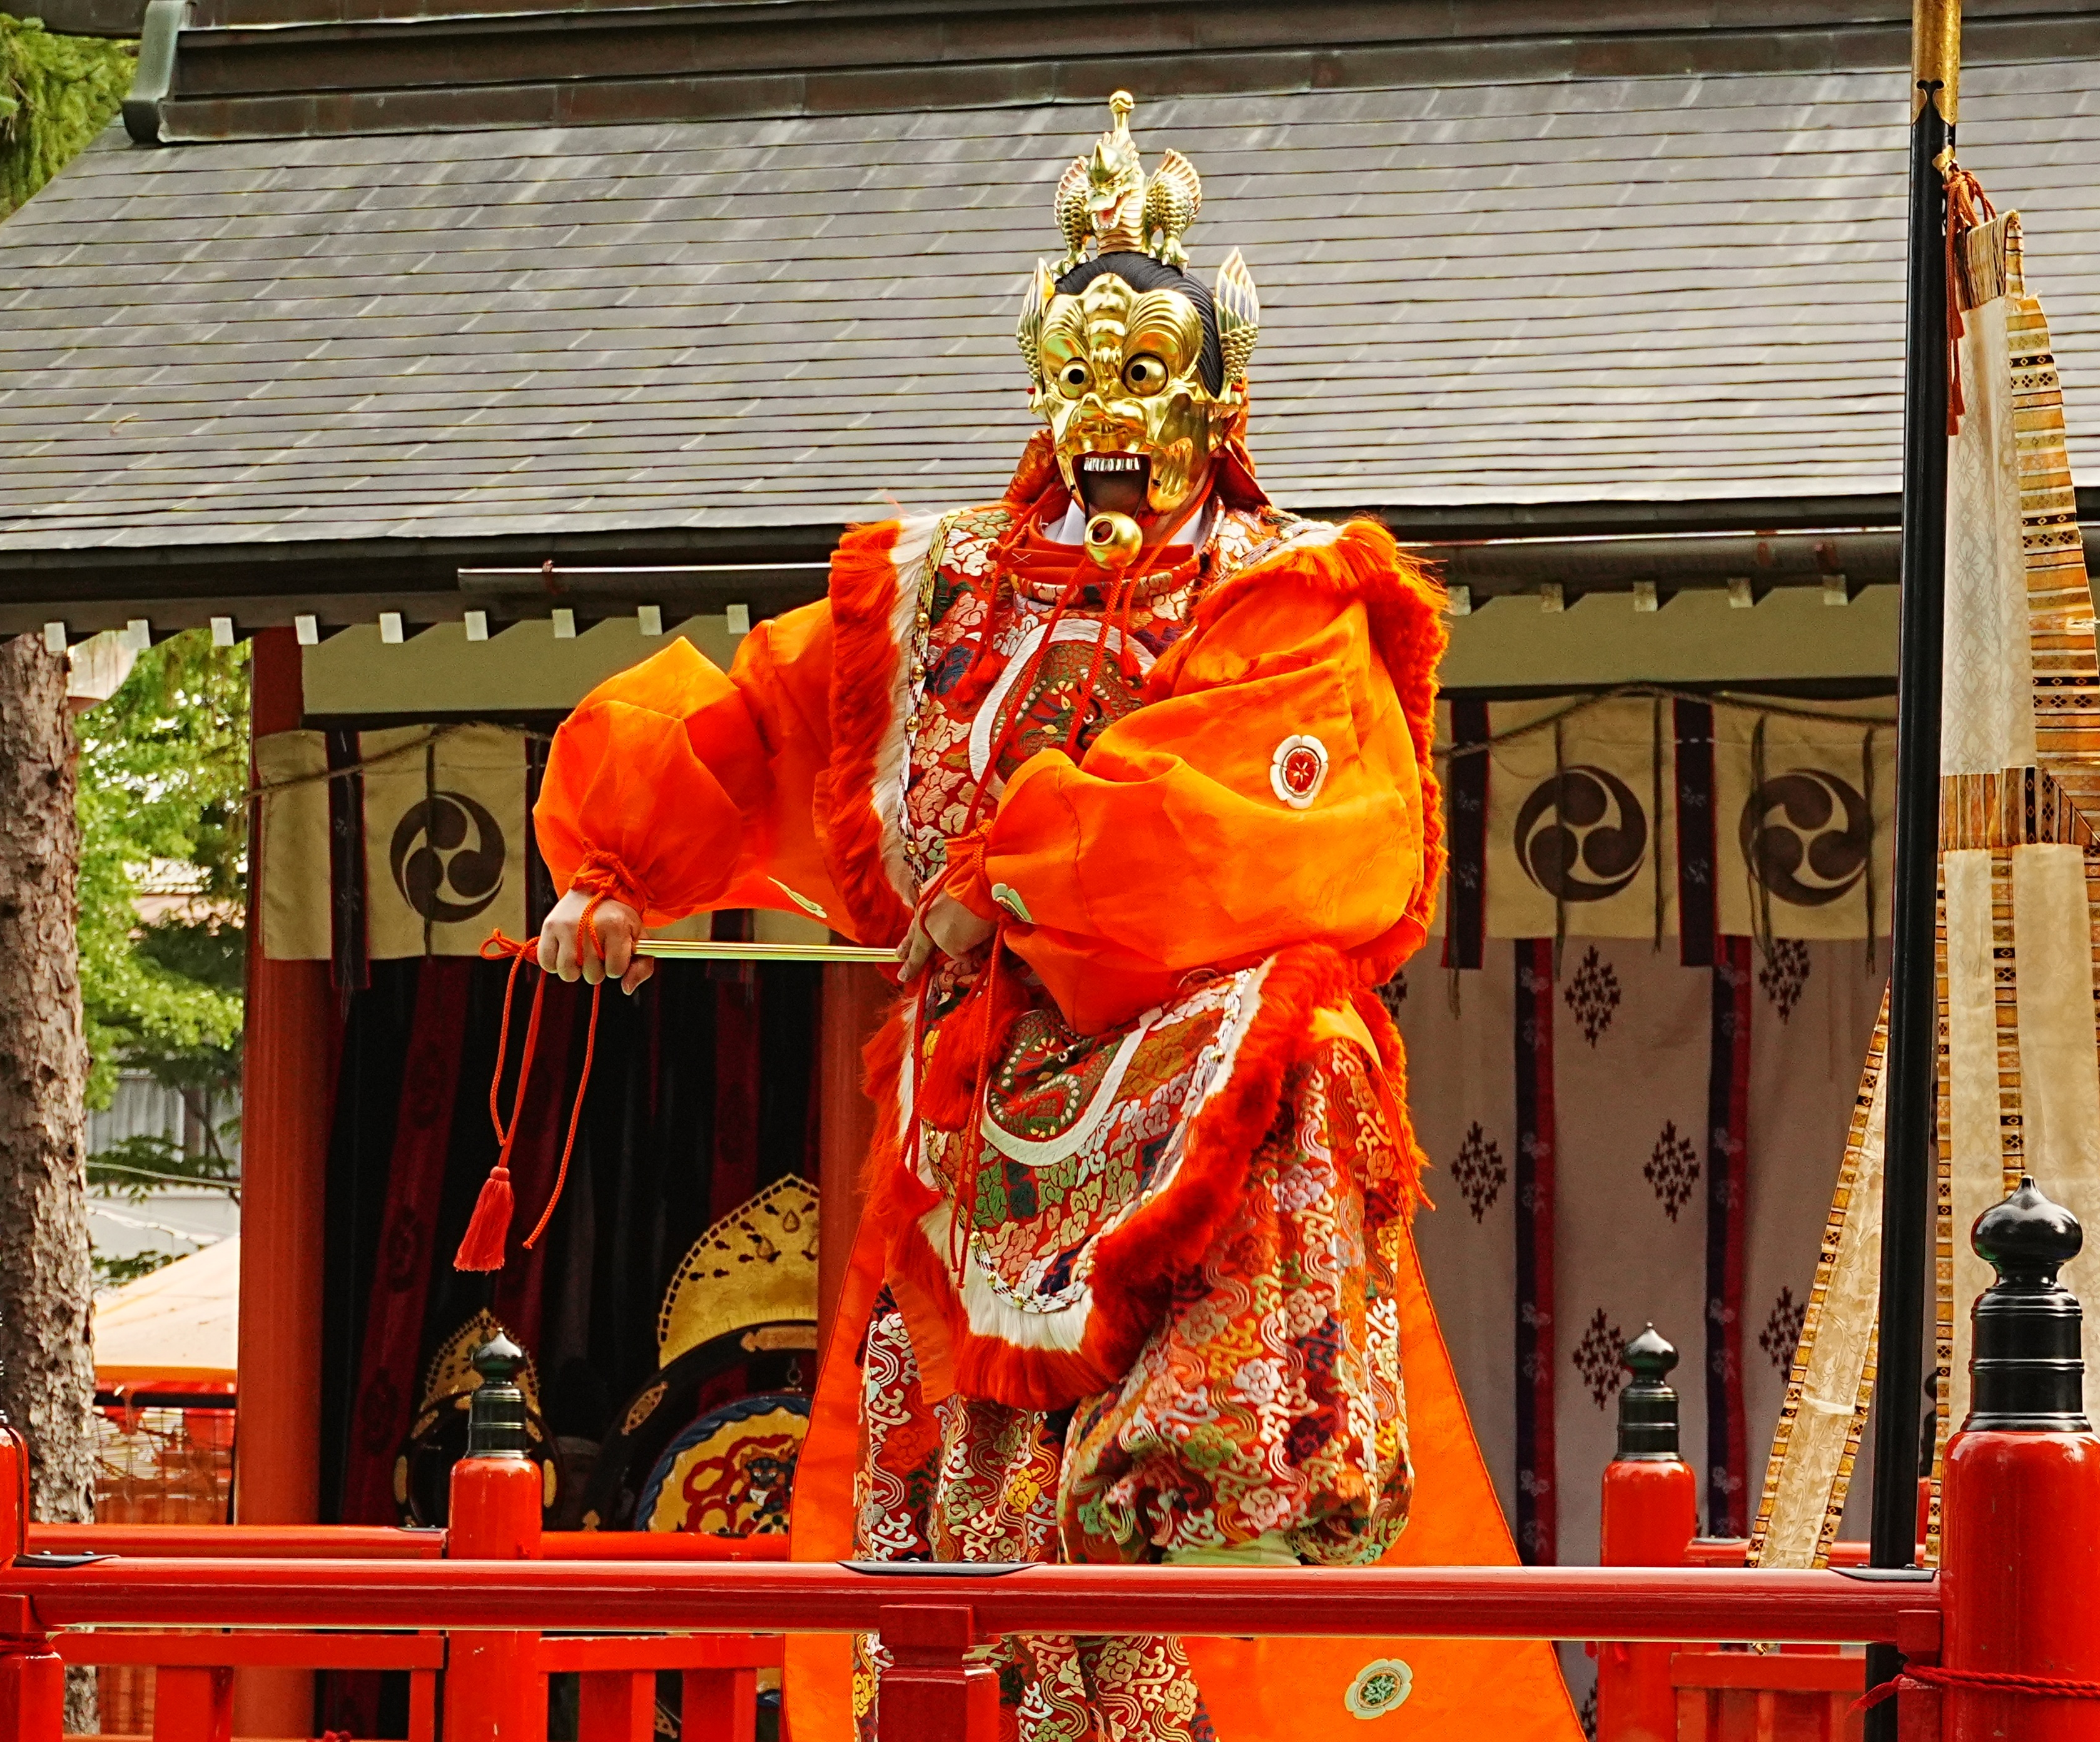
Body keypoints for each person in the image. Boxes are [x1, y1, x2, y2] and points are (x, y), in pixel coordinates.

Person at [524, 91, 1505, 1742]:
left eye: (1148, 381)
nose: (1112, 417)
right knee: (973, 1571)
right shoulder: (944, 595)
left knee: (1314, 1042)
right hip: (994, 1122)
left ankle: (1229, 1448)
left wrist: (1029, 872)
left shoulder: (1293, 588)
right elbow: (767, 721)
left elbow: (1303, 818)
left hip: (1203, 1085)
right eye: (1084, 380)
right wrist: (615, 873)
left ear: (1224, 398)